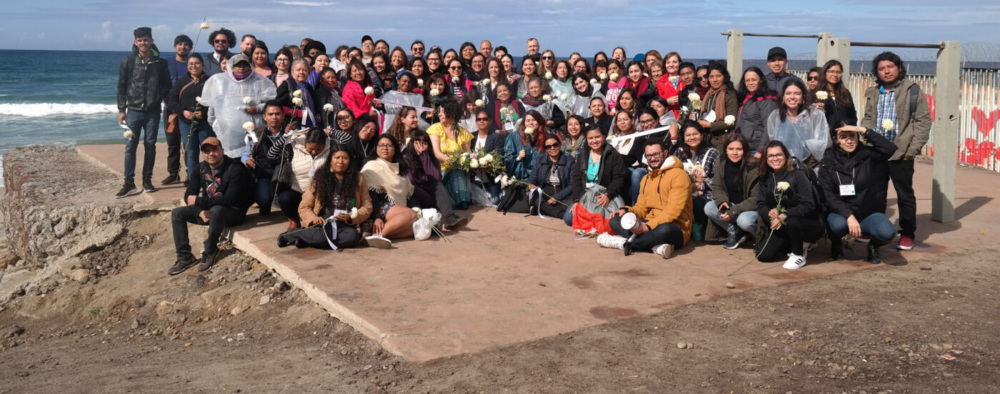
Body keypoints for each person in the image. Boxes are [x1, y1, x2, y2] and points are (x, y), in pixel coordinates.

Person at [859, 51, 932, 251]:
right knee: (875, 194)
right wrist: (867, 135)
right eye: (881, 68)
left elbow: (923, 122)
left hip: (901, 153)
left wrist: (912, 150)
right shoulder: (874, 92)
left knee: (904, 195)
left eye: (890, 67)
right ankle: (874, 227)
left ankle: (907, 233)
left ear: (899, 68)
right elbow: (867, 117)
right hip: (876, 152)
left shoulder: (912, 90)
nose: (886, 71)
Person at [168, 137, 253, 275]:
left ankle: (210, 249)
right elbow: (189, 196)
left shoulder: (235, 168)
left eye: (214, 150)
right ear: (202, 154)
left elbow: (230, 199)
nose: (211, 154)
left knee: (216, 210)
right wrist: (199, 211)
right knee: (177, 213)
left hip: (234, 212)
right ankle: (185, 258)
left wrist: (201, 203)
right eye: (207, 151)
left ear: (222, 150)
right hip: (210, 211)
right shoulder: (200, 168)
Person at [597, 139, 692, 258]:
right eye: (648, 156)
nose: (652, 158)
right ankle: (656, 247)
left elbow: (673, 212)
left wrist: (647, 227)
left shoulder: (679, 175)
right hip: (649, 223)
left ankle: (623, 243)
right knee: (615, 219)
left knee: (664, 230)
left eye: (655, 154)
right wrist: (627, 211)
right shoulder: (646, 178)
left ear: (665, 153)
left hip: (674, 227)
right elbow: (641, 208)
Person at [820, 125, 898, 263]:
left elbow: (890, 149)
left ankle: (873, 247)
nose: (849, 141)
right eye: (843, 137)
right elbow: (828, 195)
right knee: (837, 225)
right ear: (836, 140)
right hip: (842, 213)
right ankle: (836, 243)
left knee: (887, 233)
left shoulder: (869, 155)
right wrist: (849, 216)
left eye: (852, 136)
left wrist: (864, 130)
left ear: (858, 137)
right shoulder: (828, 162)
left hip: (869, 212)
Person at [279, 144, 374, 250]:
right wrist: (313, 219)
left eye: (345, 158)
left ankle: (306, 239)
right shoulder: (320, 177)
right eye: (337, 157)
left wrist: (350, 217)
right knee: (321, 236)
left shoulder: (359, 178)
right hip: (323, 222)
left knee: (352, 237)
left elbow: (367, 206)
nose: (341, 162)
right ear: (330, 159)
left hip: (344, 223)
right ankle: (293, 234)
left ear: (350, 161)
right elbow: (304, 206)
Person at [116, 27, 172, 198]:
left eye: (146, 40)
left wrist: (167, 104)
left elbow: (166, 86)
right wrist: (121, 110)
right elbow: (122, 86)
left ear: (152, 41)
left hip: (153, 112)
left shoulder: (160, 63)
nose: (143, 43)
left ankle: (147, 180)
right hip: (132, 111)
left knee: (150, 146)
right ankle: (129, 182)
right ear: (135, 42)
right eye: (140, 40)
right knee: (130, 147)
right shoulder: (128, 61)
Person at [754, 141, 824, 270]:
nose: (775, 158)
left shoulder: (798, 175)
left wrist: (785, 215)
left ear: (786, 156)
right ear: (766, 158)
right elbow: (761, 203)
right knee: (763, 255)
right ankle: (796, 243)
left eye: (778, 154)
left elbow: (808, 206)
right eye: (770, 156)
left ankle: (799, 253)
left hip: (806, 223)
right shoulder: (765, 178)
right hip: (782, 225)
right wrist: (769, 212)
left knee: (791, 221)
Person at [200, 54, 277, 158]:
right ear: (231, 66)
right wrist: (218, 126)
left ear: (250, 65)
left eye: (244, 65)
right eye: (237, 65)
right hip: (229, 136)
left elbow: (271, 104)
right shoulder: (221, 81)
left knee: (254, 158)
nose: (241, 68)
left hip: (255, 132)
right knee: (232, 164)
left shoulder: (260, 81)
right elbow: (213, 107)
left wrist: (258, 108)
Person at [359, 134, 421, 247]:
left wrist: (418, 208)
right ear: (376, 148)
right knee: (410, 215)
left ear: (395, 148)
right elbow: (370, 196)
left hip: (397, 208)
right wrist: (377, 217)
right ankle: (378, 235)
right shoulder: (371, 166)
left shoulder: (399, 168)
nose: (385, 148)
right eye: (381, 145)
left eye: (388, 145)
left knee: (416, 226)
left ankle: (373, 237)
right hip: (378, 206)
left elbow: (408, 194)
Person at [403, 130, 469, 229]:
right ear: (412, 144)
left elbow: (436, 177)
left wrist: (424, 156)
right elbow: (412, 184)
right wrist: (430, 201)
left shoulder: (433, 159)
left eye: (424, 143)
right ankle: (433, 221)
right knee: (417, 199)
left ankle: (449, 218)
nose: (421, 146)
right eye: (417, 143)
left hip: (431, 192)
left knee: (438, 185)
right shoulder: (406, 159)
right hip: (415, 194)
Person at [705, 133, 760, 249]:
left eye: (739, 149)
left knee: (744, 221)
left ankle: (759, 236)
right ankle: (736, 231)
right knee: (709, 207)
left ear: (745, 150)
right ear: (726, 150)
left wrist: (733, 211)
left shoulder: (754, 167)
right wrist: (722, 202)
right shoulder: (721, 163)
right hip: (732, 204)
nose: (734, 153)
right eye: (731, 149)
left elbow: (755, 199)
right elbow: (717, 186)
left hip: (751, 209)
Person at [166, 53, 213, 184]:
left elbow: (215, 101)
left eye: (197, 63)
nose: (194, 66)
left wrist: (204, 112)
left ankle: (209, 180)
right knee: (191, 153)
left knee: (208, 152)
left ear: (202, 65)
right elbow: (172, 100)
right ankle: (194, 181)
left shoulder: (209, 81)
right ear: (187, 67)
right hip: (186, 122)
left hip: (205, 123)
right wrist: (183, 112)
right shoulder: (181, 82)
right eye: (190, 64)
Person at [269, 128, 330, 230]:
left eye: (318, 150)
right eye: (310, 149)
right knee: (285, 198)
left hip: (320, 193)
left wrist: (331, 131)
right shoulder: (293, 146)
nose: (314, 152)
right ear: (305, 142)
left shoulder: (331, 147)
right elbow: (271, 154)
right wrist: (286, 136)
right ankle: (294, 221)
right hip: (297, 190)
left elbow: (347, 139)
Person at [565, 125, 626, 226]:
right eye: (590, 138)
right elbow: (577, 178)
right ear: (586, 140)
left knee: (607, 221)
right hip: (585, 194)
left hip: (604, 195)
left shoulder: (613, 155)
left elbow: (619, 178)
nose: (594, 141)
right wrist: (576, 200)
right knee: (569, 219)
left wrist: (608, 194)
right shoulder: (583, 155)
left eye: (597, 137)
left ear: (604, 136)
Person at [766, 79, 830, 169]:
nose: (792, 97)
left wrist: (804, 165)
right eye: (788, 93)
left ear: (803, 96)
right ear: (783, 97)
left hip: (809, 167)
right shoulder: (775, 116)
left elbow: (822, 143)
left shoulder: (815, 115)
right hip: (782, 166)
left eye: (797, 93)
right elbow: (773, 141)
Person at [674, 122, 720, 240]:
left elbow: (719, 179)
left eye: (695, 134)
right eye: (688, 135)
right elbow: (673, 175)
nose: (692, 137)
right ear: (683, 138)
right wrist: (689, 184)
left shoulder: (713, 153)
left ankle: (699, 226)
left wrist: (701, 185)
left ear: (702, 135)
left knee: (697, 201)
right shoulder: (679, 153)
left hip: (706, 194)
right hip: (684, 191)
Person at [427, 99, 475, 210]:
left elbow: (466, 156)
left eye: (442, 112)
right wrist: (452, 161)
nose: (439, 114)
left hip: (457, 170)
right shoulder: (436, 128)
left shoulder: (464, 134)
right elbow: (437, 153)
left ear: (452, 114)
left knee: (457, 172)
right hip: (440, 169)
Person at [242, 100, 286, 217]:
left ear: (283, 115)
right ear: (264, 117)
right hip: (264, 175)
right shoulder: (257, 133)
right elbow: (246, 153)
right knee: (264, 200)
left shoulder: (290, 132)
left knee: (285, 201)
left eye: (277, 114)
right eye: (270, 114)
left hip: (285, 176)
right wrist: (247, 160)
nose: (274, 117)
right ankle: (264, 201)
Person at [525, 135, 575, 219]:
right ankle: (560, 215)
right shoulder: (541, 160)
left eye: (555, 145)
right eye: (548, 147)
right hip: (545, 194)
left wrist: (557, 197)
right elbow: (532, 178)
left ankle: (542, 209)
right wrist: (530, 185)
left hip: (562, 195)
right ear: (545, 149)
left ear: (559, 145)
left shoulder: (570, 162)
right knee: (533, 197)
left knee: (569, 204)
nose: (552, 148)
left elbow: (572, 185)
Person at [735, 66, 778, 159]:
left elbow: (768, 126)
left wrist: (760, 151)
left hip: (756, 149)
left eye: (754, 80)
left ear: (761, 80)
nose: (750, 83)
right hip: (744, 146)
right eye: (747, 80)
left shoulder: (767, 100)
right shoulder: (745, 98)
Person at [608, 110, 647, 206]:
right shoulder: (613, 138)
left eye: (625, 119)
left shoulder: (639, 137)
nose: (622, 122)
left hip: (630, 170)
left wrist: (615, 158)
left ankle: (636, 206)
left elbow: (634, 159)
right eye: (619, 120)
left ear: (632, 121)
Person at [697, 62, 738, 152]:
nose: (715, 80)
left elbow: (732, 122)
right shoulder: (709, 93)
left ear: (724, 77)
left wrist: (710, 125)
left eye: (718, 76)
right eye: (711, 77)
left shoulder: (729, 94)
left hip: (722, 140)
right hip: (707, 139)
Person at [813, 60, 858, 139]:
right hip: (824, 137)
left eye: (838, 72)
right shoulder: (816, 93)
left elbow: (852, 115)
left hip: (843, 136)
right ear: (825, 73)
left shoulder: (845, 93)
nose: (835, 75)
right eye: (831, 71)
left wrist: (849, 129)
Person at [504, 110, 548, 179]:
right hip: (519, 178)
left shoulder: (545, 138)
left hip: (538, 178)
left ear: (539, 122)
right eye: (528, 121)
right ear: (524, 123)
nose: (531, 123)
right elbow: (507, 158)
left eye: (533, 120)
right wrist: (518, 157)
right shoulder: (514, 137)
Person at [276, 59, 318, 128]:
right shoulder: (286, 86)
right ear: (292, 72)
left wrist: (316, 114)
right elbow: (278, 107)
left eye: (304, 70)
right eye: (298, 70)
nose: (301, 72)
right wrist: (297, 113)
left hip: (310, 126)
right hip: (292, 126)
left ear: (308, 72)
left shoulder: (309, 87)